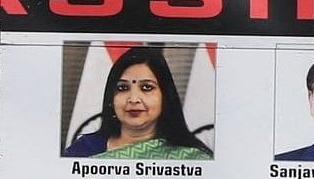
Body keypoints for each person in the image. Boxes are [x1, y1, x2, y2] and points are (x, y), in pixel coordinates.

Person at [63, 45, 211, 159]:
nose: (133, 99)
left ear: (164, 95)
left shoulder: (189, 157)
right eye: (122, 88)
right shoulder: (84, 150)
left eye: (147, 87)